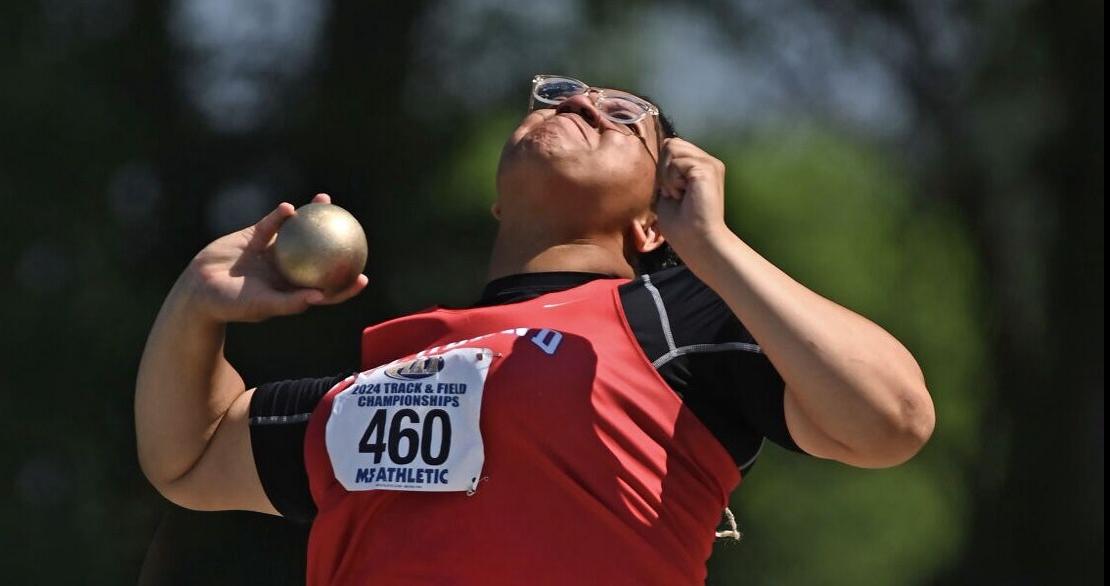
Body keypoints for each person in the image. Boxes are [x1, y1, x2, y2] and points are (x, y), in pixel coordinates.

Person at [135, 74, 935, 585]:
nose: (580, 102)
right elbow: (193, 457)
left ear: (654, 222)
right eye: (558, 94)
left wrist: (714, 250)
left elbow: (891, 420)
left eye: (626, 116)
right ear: (497, 199)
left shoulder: (678, 319)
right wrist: (197, 304)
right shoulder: (391, 376)